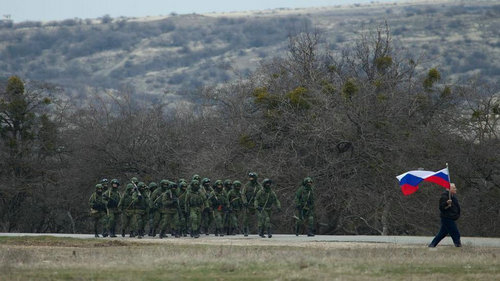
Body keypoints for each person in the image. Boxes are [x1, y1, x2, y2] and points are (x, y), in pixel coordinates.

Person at [429, 183, 462, 247]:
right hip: (447, 218)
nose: (456, 189)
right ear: (449, 189)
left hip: (451, 217)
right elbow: (441, 207)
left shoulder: (453, 197)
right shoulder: (444, 196)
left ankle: (432, 245)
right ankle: (458, 245)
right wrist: (446, 203)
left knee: (442, 233)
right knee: (455, 232)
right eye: (454, 188)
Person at [242, 172, 262, 236]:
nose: (251, 179)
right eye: (250, 177)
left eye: (252, 177)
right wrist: (245, 202)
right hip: (248, 204)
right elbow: (243, 194)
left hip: (256, 204)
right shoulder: (247, 185)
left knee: (260, 217)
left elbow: (262, 194)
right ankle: (245, 230)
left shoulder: (259, 186)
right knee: (246, 218)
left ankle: (260, 230)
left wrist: (261, 203)